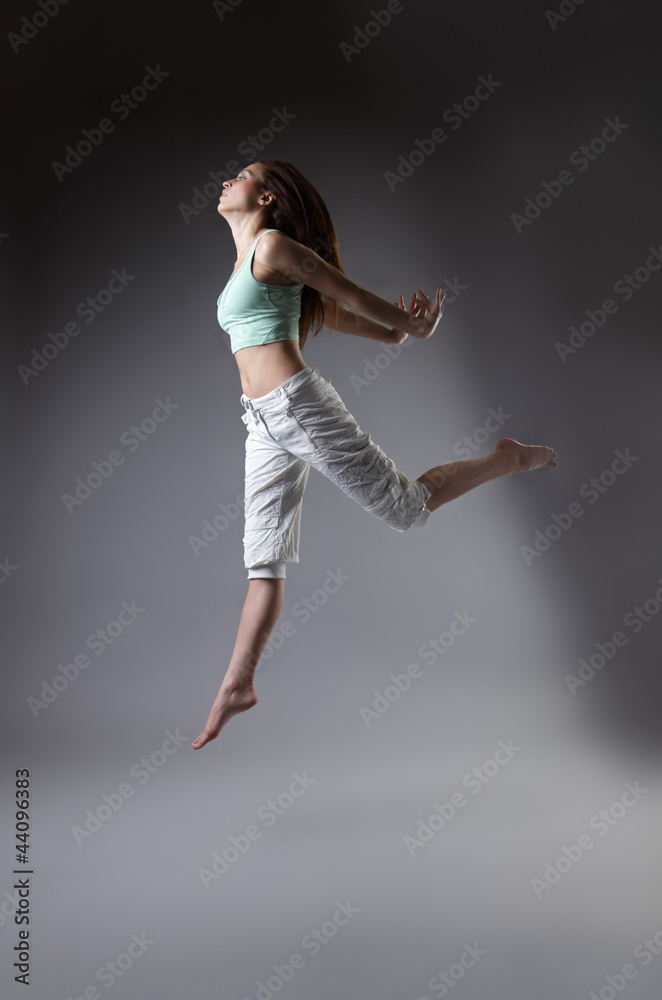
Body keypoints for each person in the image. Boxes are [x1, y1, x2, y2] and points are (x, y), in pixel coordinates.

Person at [191, 158, 557, 750]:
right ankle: (238, 684)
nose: (229, 176)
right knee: (264, 562)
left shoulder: (274, 245)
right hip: (261, 422)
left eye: (245, 173)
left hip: (297, 407)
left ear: (267, 199)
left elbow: (344, 289)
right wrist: (393, 333)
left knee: (408, 509)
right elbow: (328, 310)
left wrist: (407, 328)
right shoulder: (244, 263)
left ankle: (508, 459)